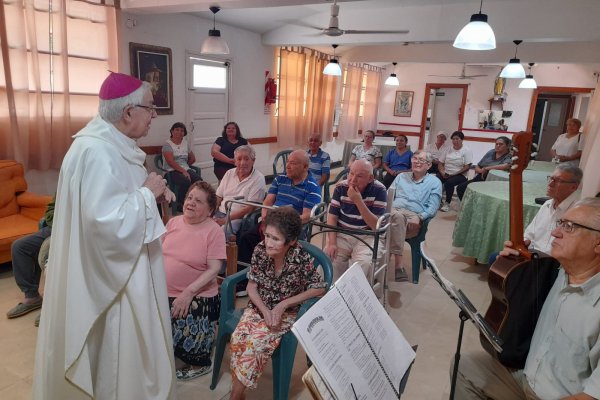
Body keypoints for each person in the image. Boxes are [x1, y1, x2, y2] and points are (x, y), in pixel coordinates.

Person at [32, 72, 176, 399]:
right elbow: (104, 224)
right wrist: (145, 194)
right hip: (114, 280)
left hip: (125, 265)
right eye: (150, 108)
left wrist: (150, 192)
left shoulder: (111, 144)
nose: (155, 115)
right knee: (119, 359)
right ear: (128, 112)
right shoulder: (97, 152)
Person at [455, 197, 600, 399]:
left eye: (569, 227)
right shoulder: (558, 271)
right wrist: (513, 262)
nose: (554, 232)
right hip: (525, 378)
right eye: (560, 223)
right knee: (466, 366)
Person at [229, 207, 328, 399]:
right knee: (237, 339)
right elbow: (251, 287)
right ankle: (239, 394)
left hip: (287, 313)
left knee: (256, 344)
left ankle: (235, 396)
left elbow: (320, 287)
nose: (268, 243)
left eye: (275, 239)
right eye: (267, 235)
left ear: (290, 242)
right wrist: (265, 310)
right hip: (259, 306)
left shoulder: (300, 258)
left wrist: (283, 305)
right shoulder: (259, 250)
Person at [162, 181, 226, 380]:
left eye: (198, 201)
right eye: (189, 198)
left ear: (209, 210)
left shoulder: (213, 230)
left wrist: (188, 293)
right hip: (165, 291)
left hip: (197, 294)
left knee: (186, 323)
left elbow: (215, 268)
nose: (190, 203)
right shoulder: (173, 222)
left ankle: (199, 363)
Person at [236, 150, 321, 295]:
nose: (288, 166)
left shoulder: (312, 186)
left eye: (293, 163)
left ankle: (277, 284)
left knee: (279, 247)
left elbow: (306, 216)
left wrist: (283, 223)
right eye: (287, 162)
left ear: (305, 167)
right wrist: (265, 220)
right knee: (246, 238)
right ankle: (245, 282)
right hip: (271, 222)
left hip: (290, 226)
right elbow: (267, 202)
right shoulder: (280, 179)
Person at [491, 165, 582, 262]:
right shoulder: (547, 204)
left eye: (558, 181)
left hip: (553, 263)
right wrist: (521, 246)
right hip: (533, 255)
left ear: (573, 187)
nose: (550, 184)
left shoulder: (577, 212)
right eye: (551, 178)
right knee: (495, 258)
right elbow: (529, 235)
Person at [324, 159, 388, 280]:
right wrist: (332, 243)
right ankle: (332, 294)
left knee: (362, 265)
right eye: (351, 173)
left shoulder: (379, 190)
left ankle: (352, 296)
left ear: (370, 178)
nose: (352, 179)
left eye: (359, 176)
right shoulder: (341, 187)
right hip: (342, 234)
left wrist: (358, 201)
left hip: (368, 236)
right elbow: (332, 216)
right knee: (329, 260)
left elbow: (376, 226)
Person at [390, 150, 442, 282]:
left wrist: (420, 217)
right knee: (396, 217)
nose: (417, 162)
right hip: (393, 211)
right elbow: (388, 196)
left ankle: (382, 265)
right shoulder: (401, 177)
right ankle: (398, 265)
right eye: (415, 158)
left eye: (421, 160)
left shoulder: (435, 182)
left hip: (413, 217)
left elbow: (433, 207)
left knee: (384, 230)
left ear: (429, 165)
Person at [6, 196, 54, 326]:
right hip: (54, 228)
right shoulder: (67, 177)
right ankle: (32, 296)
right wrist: (53, 219)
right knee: (19, 247)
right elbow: (51, 208)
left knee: (52, 254)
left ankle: (55, 306)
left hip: (76, 231)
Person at [213, 145, 267, 236]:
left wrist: (225, 220)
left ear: (253, 161)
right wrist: (211, 213)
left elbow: (249, 208)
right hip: (220, 212)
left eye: (246, 159)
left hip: (237, 218)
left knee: (219, 234)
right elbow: (218, 196)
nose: (242, 163)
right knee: (202, 227)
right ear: (234, 161)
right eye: (239, 159)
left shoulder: (258, 178)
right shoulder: (229, 173)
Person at [456, 136, 512, 200]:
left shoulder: (509, 155)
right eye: (496, 144)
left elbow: (506, 166)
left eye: (501, 144)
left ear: (507, 146)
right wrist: (481, 171)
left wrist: (487, 168)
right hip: (480, 177)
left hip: (493, 182)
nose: (498, 146)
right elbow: (478, 166)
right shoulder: (491, 152)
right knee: (461, 188)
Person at [162, 122, 201, 208]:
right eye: (177, 130)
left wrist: (186, 168)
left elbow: (193, 158)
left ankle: (194, 200)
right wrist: (183, 171)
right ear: (172, 131)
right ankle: (179, 203)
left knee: (198, 180)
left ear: (184, 133)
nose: (179, 132)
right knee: (185, 181)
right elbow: (170, 162)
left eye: (182, 130)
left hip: (184, 168)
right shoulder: (167, 145)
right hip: (171, 170)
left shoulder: (185, 143)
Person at [437, 130, 472, 212]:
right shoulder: (448, 149)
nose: (455, 141)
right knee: (436, 180)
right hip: (446, 172)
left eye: (457, 139)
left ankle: (447, 203)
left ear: (462, 140)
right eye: (453, 139)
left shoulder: (466, 150)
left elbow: (467, 166)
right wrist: (442, 172)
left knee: (449, 182)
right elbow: (440, 163)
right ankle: (438, 200)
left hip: (460, 174)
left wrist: (453, 174)